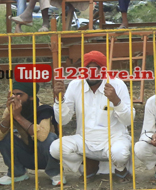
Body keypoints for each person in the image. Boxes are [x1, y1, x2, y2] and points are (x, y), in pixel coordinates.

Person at [50, 50, 132, 179]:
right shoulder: (75, 85)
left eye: (97, 68)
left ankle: (120, 168)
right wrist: (59, 100)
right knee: (55, 148)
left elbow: (128, 121)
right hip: (85, 140)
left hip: (113, 138)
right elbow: (63, 120)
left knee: (119, 154)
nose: (92, 72)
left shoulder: (117, 84)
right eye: (88, 68)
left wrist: (116, 101)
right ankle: (88, 163)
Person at [0, 83, 61, 186]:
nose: (15, 98)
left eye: (19, 94)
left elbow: (42, 137)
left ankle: (55, 173)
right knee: (4, 135)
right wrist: (10, 115)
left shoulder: (44, 109)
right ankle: (17, 173)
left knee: (49, 138)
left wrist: (18, 117)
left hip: (47, 156)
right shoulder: (12, 109)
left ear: (31, 97)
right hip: (28, 155)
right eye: (13, 94)